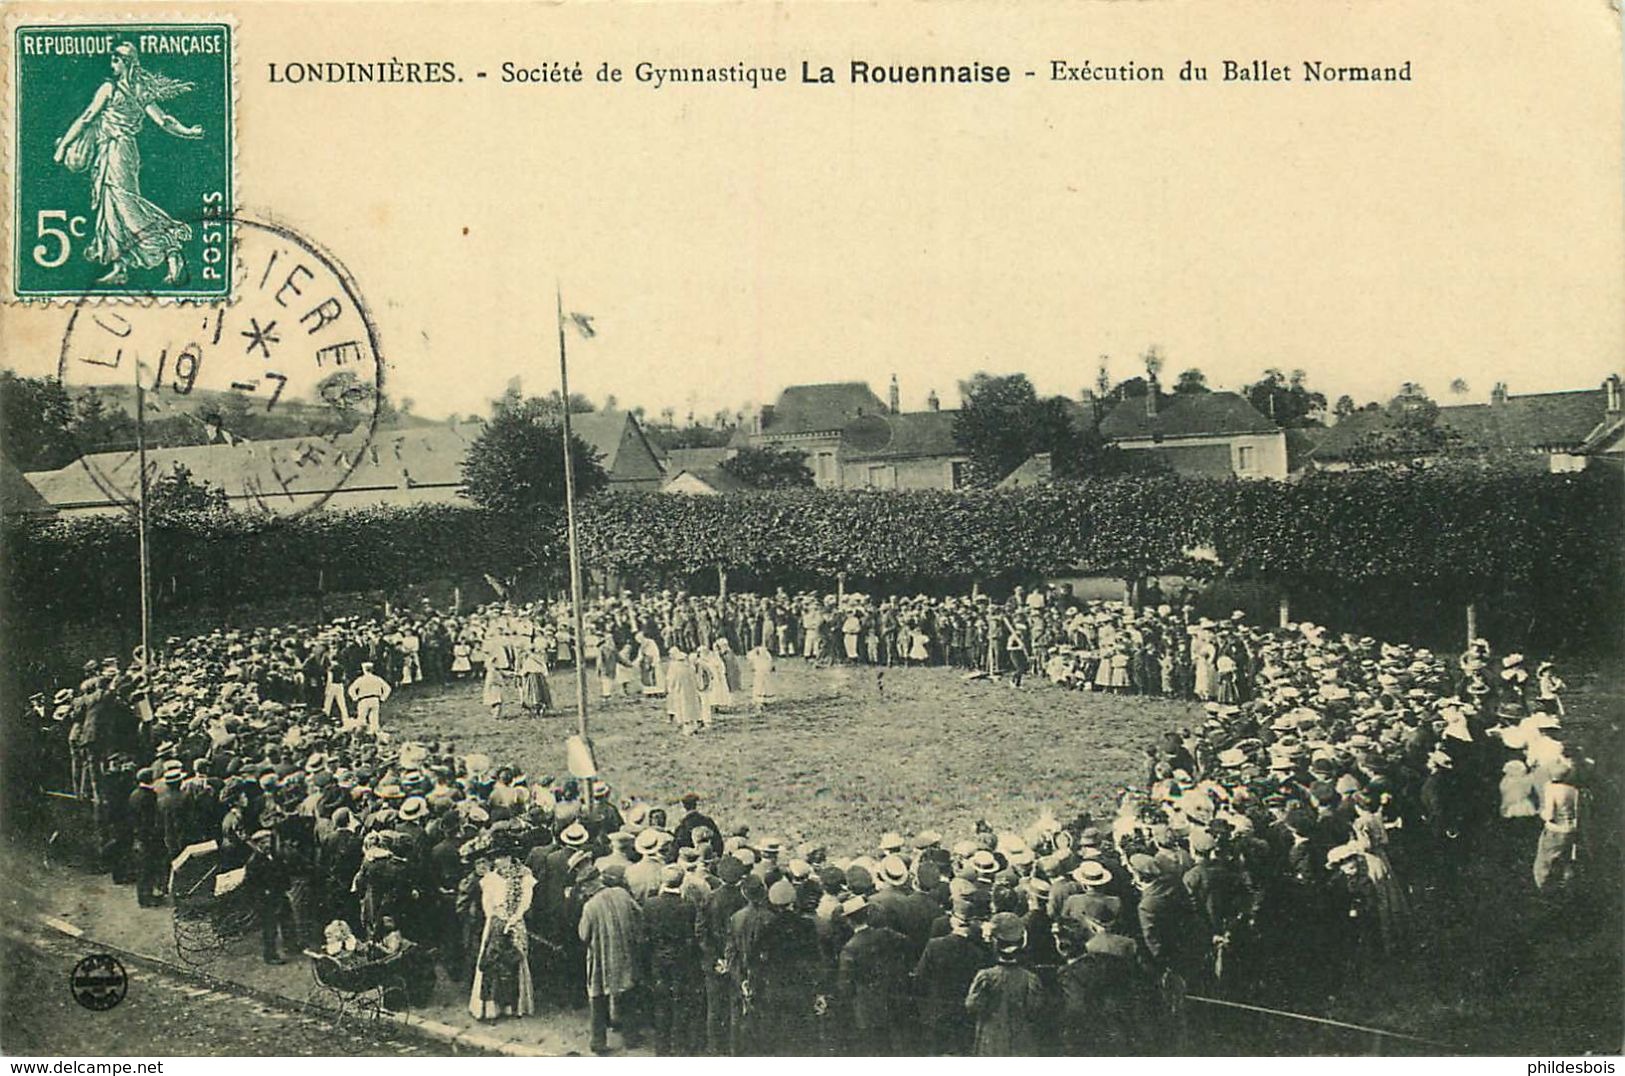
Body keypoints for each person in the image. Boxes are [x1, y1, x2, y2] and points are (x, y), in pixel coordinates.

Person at [52, 42, 202, 285]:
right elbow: (164, 120)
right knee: (110, 208)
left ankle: (170, 250)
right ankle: (120, 268)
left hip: (116, 152)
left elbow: (87, 117)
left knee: (125, 205)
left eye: (116, 60)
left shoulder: (109, 88)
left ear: (126, 62)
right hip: (118, 151)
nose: (112, 64)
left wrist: (63, 146)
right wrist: (188, 131)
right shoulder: (140, 89)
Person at [579, 864, 644, 1053]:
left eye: (584, 886)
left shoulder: (590, 906)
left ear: (590, 884)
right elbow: (639, 915)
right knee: (628, 994)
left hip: (601, 959)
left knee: (598, 1000)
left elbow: (583, 935)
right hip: (625, 953)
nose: (583, 890)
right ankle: (631, 1037)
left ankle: (598, 1043)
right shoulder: (622, 893)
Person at [964, 912, 1046, 1055]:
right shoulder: (1031, 978)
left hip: (991, 1038)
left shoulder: (985, 976)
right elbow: (1035, 1008)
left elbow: (972, 1006)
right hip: (1022, 1039)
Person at [1533, 759, 1581, 894]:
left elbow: (1549, 815)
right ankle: (1566, 888)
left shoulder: (1551, 789)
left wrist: (1540, 813)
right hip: (1570, 829)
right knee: (1565, 859)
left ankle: (1544, 889)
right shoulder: (1574, 790)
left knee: (1545, 861)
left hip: (1555, 829)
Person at [346, 662, 392, 735]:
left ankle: (361, 734)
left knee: (361, 719)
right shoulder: (377, 678)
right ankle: (375, 734)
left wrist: (355, 698)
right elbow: (388, 688)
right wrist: (383, 698)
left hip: (364, 700)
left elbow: (351, 689)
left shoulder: (361, 679)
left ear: (364, 670)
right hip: (375, 699)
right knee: (374, 719)